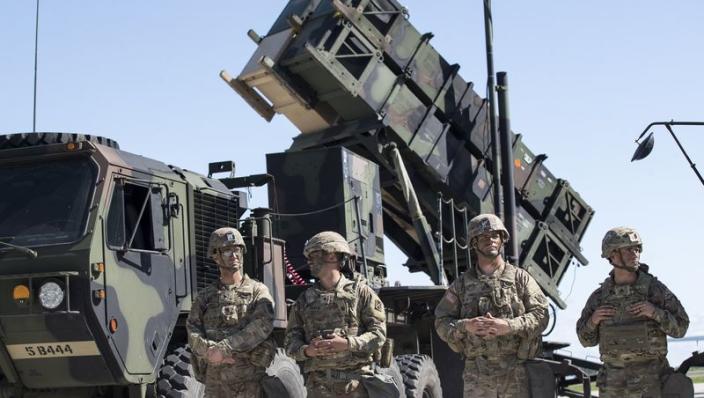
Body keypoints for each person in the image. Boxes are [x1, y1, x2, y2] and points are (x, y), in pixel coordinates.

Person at [435, 214, 549, 397]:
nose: (491, 240)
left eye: (495, 235)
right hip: (477, 375)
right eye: (484, 237)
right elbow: (441, 322)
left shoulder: (521, 278)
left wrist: (510, 326)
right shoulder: (461, 285)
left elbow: (542, 315)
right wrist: (465, 326)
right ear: (474, 243)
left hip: (515, 372)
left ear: (502, 240)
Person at [576, 227, 689, 397]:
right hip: (613, 386)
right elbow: (586, 340)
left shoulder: (654, 290)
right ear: (612, 254)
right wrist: (593, 321)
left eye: (637, 249)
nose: (635, 253)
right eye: (628, 249)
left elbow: (681, 328)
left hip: (650, 383)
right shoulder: (600, 297)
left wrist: (655, 313)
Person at [285, 231, 398, 398]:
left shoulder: (361, 293)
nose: (309, 261)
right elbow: (290, 343)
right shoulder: (304, 300)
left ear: (332, 256)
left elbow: (378, 335)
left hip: (355, 388)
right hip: (318, 389)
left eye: (314, 255)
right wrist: (307, 351)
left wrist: (347, 344)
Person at [187, 227, 276, 397]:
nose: (234, 255)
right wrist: (210, 352)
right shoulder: (205, 297)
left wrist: (224, 349)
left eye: (237, 250)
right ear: (215, 255)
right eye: (228, 250)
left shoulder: (258, 291)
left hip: (249, 384)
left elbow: (262, 325)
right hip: (215, 386)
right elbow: (192, 331)